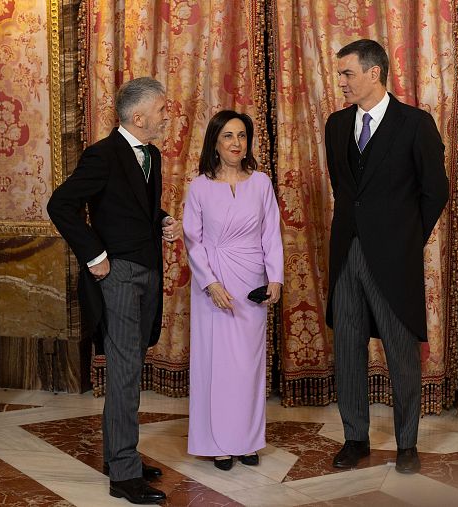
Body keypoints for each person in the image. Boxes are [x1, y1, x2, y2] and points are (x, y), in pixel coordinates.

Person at [47, 77, 181, 505]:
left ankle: (119, 454)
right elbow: (60, 204)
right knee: (124, 373)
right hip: (119, 275)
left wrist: (160, 218)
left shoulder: (151, 155)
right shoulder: (100, 155)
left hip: (148, 271)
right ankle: (124, 475)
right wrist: (94, 256)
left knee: (130, 367)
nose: (167, 114)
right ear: (138, 117)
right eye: (162, 108)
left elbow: (132, 203)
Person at [324, 39, 449, 474]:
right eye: (340, 74)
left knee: (400, 352)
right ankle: (354, 438)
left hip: (394, 260)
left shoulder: (415, 124)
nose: (340, 81)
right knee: (347, 349)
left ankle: (407, 444)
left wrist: (405, 239)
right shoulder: (336, 126)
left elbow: (436, 191)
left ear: (374, 73)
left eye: (347, 73)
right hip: (346, 256)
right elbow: (344, 190)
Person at [183, 110, 284, 471]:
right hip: (212, 285)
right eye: (227, 136)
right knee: (215, 365)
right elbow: (192, 241)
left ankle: (246, 440)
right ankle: (216, 443)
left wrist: (275, 278)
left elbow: (271, 233)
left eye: (241, 136)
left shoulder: (261, 183)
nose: (236, 143)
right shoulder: (199, 187)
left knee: (248, 366)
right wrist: (210, 284)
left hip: (251, 282)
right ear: (215, 141)